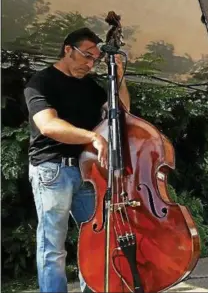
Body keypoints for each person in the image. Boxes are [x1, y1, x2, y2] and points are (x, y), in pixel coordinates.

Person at [24, 27, 130, 293]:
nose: (91, 64)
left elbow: (122, 113)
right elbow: (48, 124)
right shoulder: (41, 81)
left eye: (95, 59)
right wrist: (91, 138)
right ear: (68, 49)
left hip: (88, 174)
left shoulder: (90, 87)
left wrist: (120, 79)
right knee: (53, 248)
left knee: (95, 242)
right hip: (52, 170)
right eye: (87, 56)